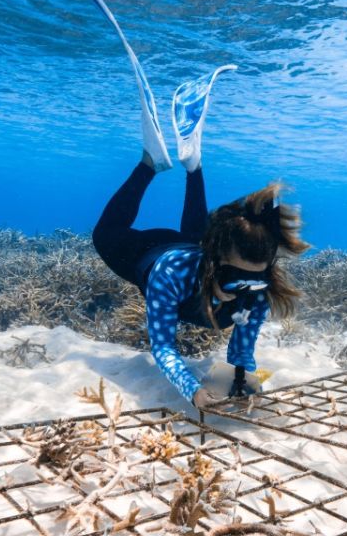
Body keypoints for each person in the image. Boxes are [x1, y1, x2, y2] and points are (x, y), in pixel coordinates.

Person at [91, 72, 309, 409]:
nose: (245, 289)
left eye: (256, 279)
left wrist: (240, 389)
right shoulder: (171, 279)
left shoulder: (256, 293)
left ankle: (193, 162)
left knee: (198, 236)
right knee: (104, 236)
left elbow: (241, 352)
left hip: (198, 250)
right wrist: (193, 390)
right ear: (215, 264)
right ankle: (150, 162)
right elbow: (163, 345)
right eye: (237, 278)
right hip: (153, 254)